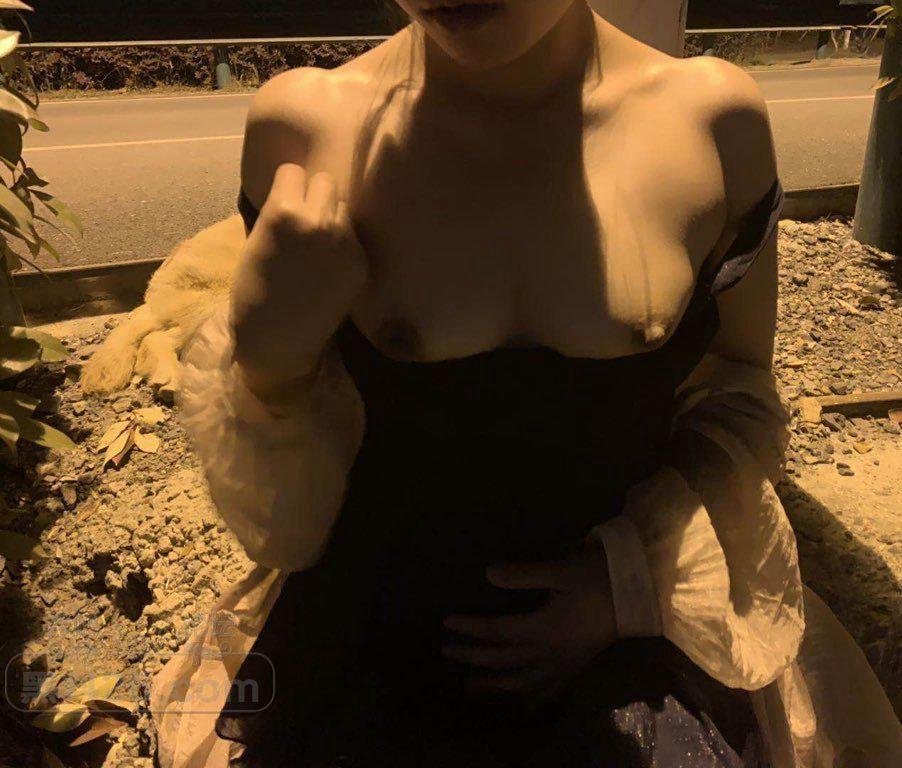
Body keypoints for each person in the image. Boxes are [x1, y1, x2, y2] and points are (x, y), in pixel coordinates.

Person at [151, 2, 902, 766]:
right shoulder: (302, 126)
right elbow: (285, 527)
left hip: (637, 644)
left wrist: (628, 583)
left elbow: (738, 394)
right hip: (375, 637)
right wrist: (269, 363)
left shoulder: (715, 121)